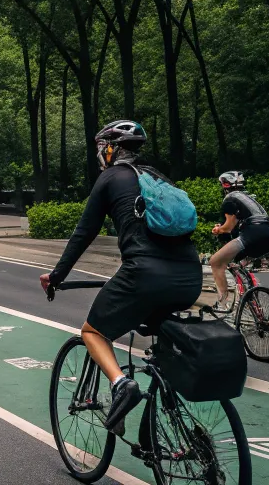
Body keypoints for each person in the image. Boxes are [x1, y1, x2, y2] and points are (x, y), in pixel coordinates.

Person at [39, 120, 201, 433]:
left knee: (94, 332)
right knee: (158, 345)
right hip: (189, 277)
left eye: (102, 148)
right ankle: (167, 413)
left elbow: (84, 233)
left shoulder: (110, 178)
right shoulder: (157, 176)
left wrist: (57, 276)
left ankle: (121, 385)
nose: (100, 154)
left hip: (143, 274)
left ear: (111, 149)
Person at [208, 172, 269, 310]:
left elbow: (228, 228)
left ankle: (223, 303)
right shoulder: (248, 198)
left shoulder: (229, 200)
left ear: (225, 185)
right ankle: (252, 300)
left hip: (252, 235)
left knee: (215, 262)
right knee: (238, 263)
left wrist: (218, 230)